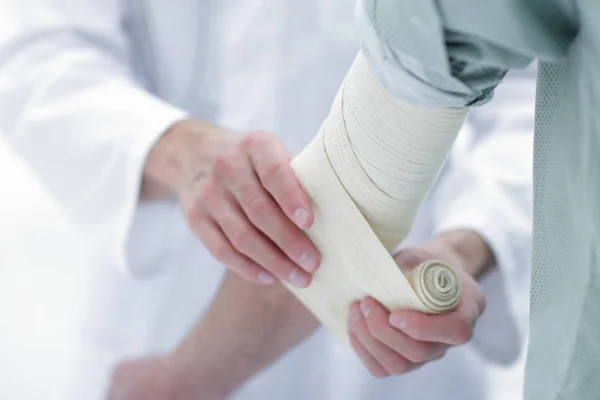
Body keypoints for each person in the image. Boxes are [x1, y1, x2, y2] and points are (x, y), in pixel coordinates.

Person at [0, 1, 532, 399]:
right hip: (167, 294)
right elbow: (36, 49)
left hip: (405, 297)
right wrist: (176, 150)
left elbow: (531, 79)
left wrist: (467, 245)